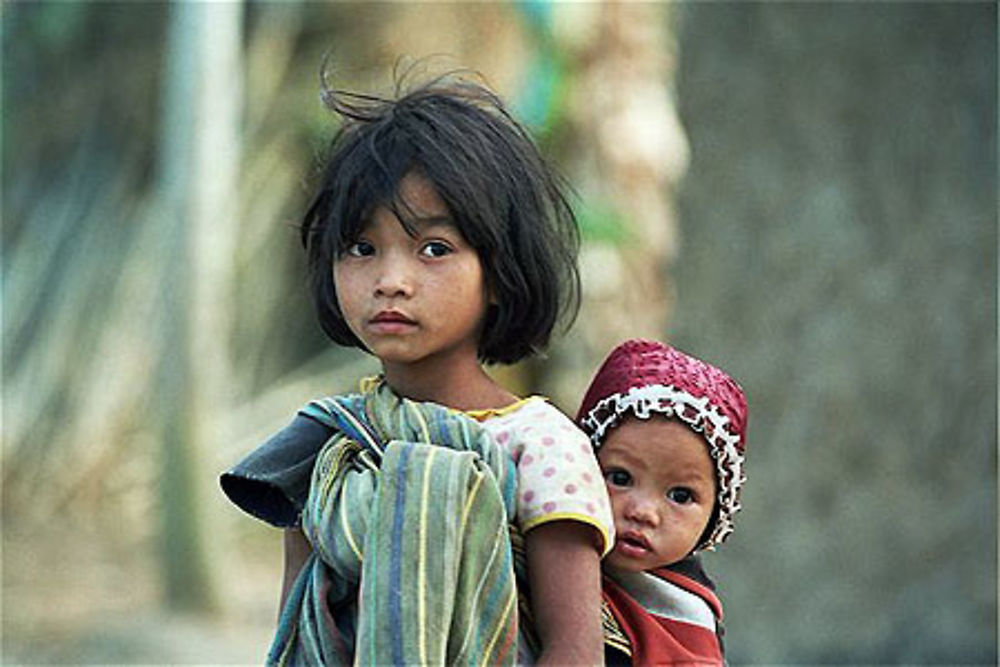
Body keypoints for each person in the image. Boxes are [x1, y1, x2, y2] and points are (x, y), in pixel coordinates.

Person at [221, 72, 612, 666]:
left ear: (501, 274)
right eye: (361, 247)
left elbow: (573, 651)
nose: (390, 281)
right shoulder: (327, 445)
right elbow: (297, 636)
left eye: (434, 248)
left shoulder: (538, 445)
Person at [575, 338, 749, 665]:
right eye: (620, 478)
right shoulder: (540, 556)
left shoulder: (689, 620)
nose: (643, 512)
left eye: (680, 496)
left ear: (715, 519)